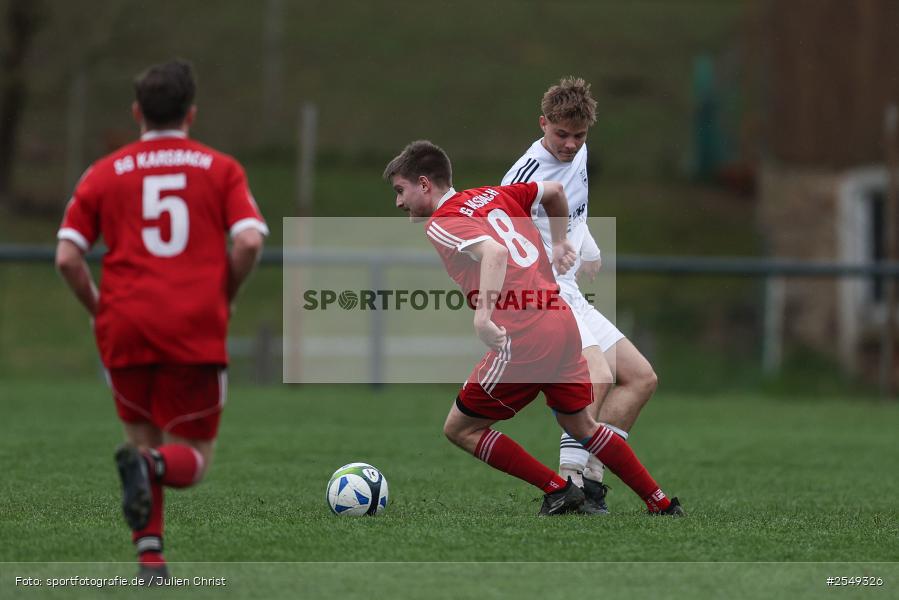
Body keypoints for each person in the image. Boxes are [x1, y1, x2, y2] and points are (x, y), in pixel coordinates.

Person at [384, 140, 682, 516]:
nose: (398, 203)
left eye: (401, 191)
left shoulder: (442, 222)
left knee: (460, 429)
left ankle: (559, 489)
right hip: (560, 317)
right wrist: (559, 243)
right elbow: (554, 192)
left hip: (524, 332)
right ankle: (661, 503)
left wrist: (483, 316)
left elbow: (495, 252)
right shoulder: (492, 194)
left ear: (425, 184)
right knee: (582, 423)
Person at [55, 60, 268, 582]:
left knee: (141, 440)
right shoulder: (220, 169)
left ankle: (151, 560)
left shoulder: (103, 172)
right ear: (191, 114)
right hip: (193, 326)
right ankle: (152, 471)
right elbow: (247, 241)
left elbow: (66, 256)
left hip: (124, 324)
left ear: (136, 113)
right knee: (190, 457)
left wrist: (99, 309)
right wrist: (225, 294)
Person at [502, 77, 659, 514]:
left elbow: (575, 209)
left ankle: (591, 479)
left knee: (640, 378)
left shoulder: (579, 151)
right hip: (544, 290)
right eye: (561, 135)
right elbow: (498, 237)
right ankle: (567, 483)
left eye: (579, 136)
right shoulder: (524, 176)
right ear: (542, 124)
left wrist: (586, 248)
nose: (570, 145)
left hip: (569, 284)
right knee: (599, 374)